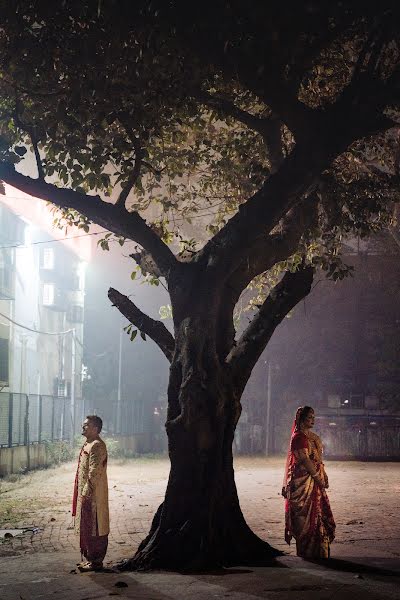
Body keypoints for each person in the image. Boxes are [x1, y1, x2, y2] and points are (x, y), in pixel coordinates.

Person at [282, 406, 335, 558]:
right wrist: (319, 477)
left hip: (313, 482)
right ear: (301, 419)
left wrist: (323, 475)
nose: (312, 420)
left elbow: (317, 459)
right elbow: (304, 460)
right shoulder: (298, 438)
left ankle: (319, 552)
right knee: (304, 520)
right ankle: (307, 553)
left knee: (317, 516)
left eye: (313, 417)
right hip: (303, 483)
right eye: (309, 417)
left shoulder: (311, 437)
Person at [72, 415, 109, 571]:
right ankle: (90, 560)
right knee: (87, 527)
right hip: (85, 494)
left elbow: (95, 472)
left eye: (86, 425)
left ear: (95, 429)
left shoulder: (97, 446)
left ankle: (96, 562)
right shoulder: (88, 444)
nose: (83, 426)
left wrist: (86, 493)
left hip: (93, 496)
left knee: (95, 527)